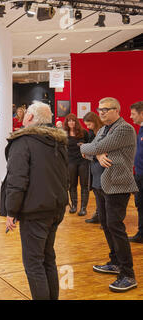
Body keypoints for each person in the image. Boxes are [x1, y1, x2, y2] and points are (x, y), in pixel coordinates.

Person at [0, 101, 69, 300]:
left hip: (35, 212)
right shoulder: (57, 141)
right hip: (55, 209)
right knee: (47, 259)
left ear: (29, 117)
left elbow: (17, 180)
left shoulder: (24, 142)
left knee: (33, 263)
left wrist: (11, 211)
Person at [80, 97, 138, 292]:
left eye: (106, 109)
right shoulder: (104, 129)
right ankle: (115, 262)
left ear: (117, 110)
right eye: (100, 109)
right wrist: (95, 153)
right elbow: (90, 150)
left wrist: (93, 150)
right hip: (100, 185)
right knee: (106, 225)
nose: (102, 112)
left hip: (117, 186)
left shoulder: (124, 128)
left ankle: (128, 274)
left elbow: (92, 147)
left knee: (115, 227)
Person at [63, 113, 90, 216]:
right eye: (69, 121)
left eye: (73, 120)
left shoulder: (84, 133)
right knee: (72, 185)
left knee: (84, 185)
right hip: (70, 162)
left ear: (76, 122)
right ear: (67, 122)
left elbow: (90, 145)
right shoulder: (64, 133)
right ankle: (74, 206)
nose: (71, 122)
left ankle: (83, 208)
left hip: (83, 161)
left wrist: (85, 147)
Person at [83, 112, 104, 224]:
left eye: (89, 124)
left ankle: (104, 218)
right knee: (96, 192)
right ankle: (98, 214)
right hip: (94, 165)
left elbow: (98, 149)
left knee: (102, 192)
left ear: (94, 121)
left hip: (102, 166)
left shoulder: (103, 131)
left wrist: (87, 151)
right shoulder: (91, 132)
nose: (88, 127)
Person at [128, 101, 143, 243]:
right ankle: (141, 233)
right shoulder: (140, 129)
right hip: (139, 174)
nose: (131, 117)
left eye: (133, 114)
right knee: (140, 204)